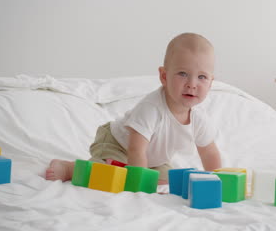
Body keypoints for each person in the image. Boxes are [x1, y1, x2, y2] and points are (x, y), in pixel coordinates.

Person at [45, 32, 222, 185]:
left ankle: (139, 173)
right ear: (164, 76)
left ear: (211, 82)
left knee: (170, 180)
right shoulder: (152, 107)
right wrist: (138, 184)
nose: (192, 84)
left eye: (202, 77)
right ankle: (71, 168)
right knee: (114, 175)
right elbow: (136, 149)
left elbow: (209, 152)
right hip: (118, 145)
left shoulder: (199, 117)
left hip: (152, 160)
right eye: (183, 74)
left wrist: (218, 179)